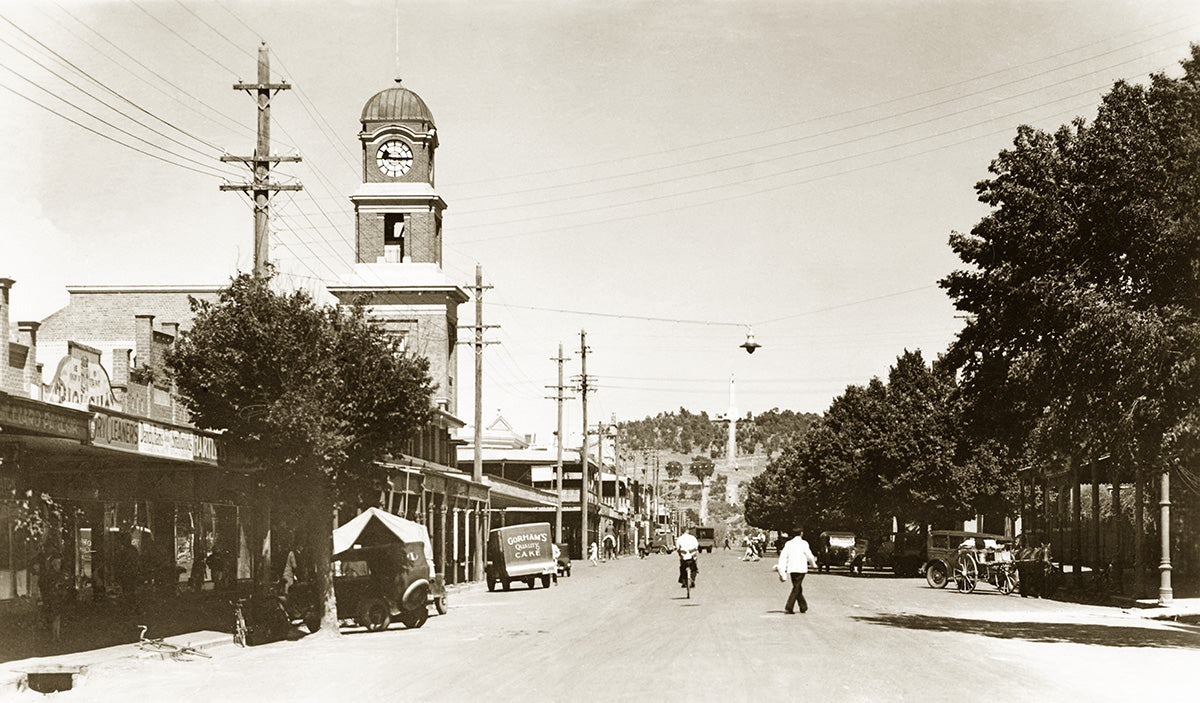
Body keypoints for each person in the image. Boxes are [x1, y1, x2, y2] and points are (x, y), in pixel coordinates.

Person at [776, 529, 817, 614]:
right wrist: (813, 565)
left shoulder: (788, 544)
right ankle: (789, 607)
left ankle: (803, 606)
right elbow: (809, 556)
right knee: (797, 587)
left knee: (797, 586)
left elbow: (783, 556)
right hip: (801, 568)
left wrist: (782, 568)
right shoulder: (804, 543)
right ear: (801, 534)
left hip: (792, 568)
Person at [38, 552, 71, 642]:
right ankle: (54, 636)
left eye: (59, 563)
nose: (59, 565)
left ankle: (57, 635)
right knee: (54, 616)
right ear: (54, 563)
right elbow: (48, 585)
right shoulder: (52, 573)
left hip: (58, 597)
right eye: (57, 563)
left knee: (57, 616)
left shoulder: (57, 573)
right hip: (53, 597)